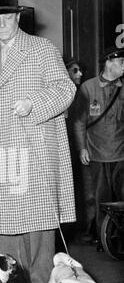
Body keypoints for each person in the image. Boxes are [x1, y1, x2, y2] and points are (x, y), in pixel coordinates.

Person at [0, 0, 76, 283]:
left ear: (18, 17)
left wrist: (34, 104)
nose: (1, 23)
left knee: (38, 219)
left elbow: (65, 89)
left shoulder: (41, 48)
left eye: (7, 17)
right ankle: (13, 278)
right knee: (6, 219)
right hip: (2, 148)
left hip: (34, 143)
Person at [74, 46, 124, 245]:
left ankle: (120, 238)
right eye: (121, 63)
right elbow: (79, 121)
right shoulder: (88, 87)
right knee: (99, 198)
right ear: (109, 63)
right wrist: (82, 148)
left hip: (121, 153)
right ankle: (103, 238)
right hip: (97, 153)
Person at [65, 61, 97, 245]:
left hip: (80, 150)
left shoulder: (81, 94)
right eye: (74, 70)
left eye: (81, 70)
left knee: (86, 191)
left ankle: (86, 230)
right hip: (68, 150)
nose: (79, 74)